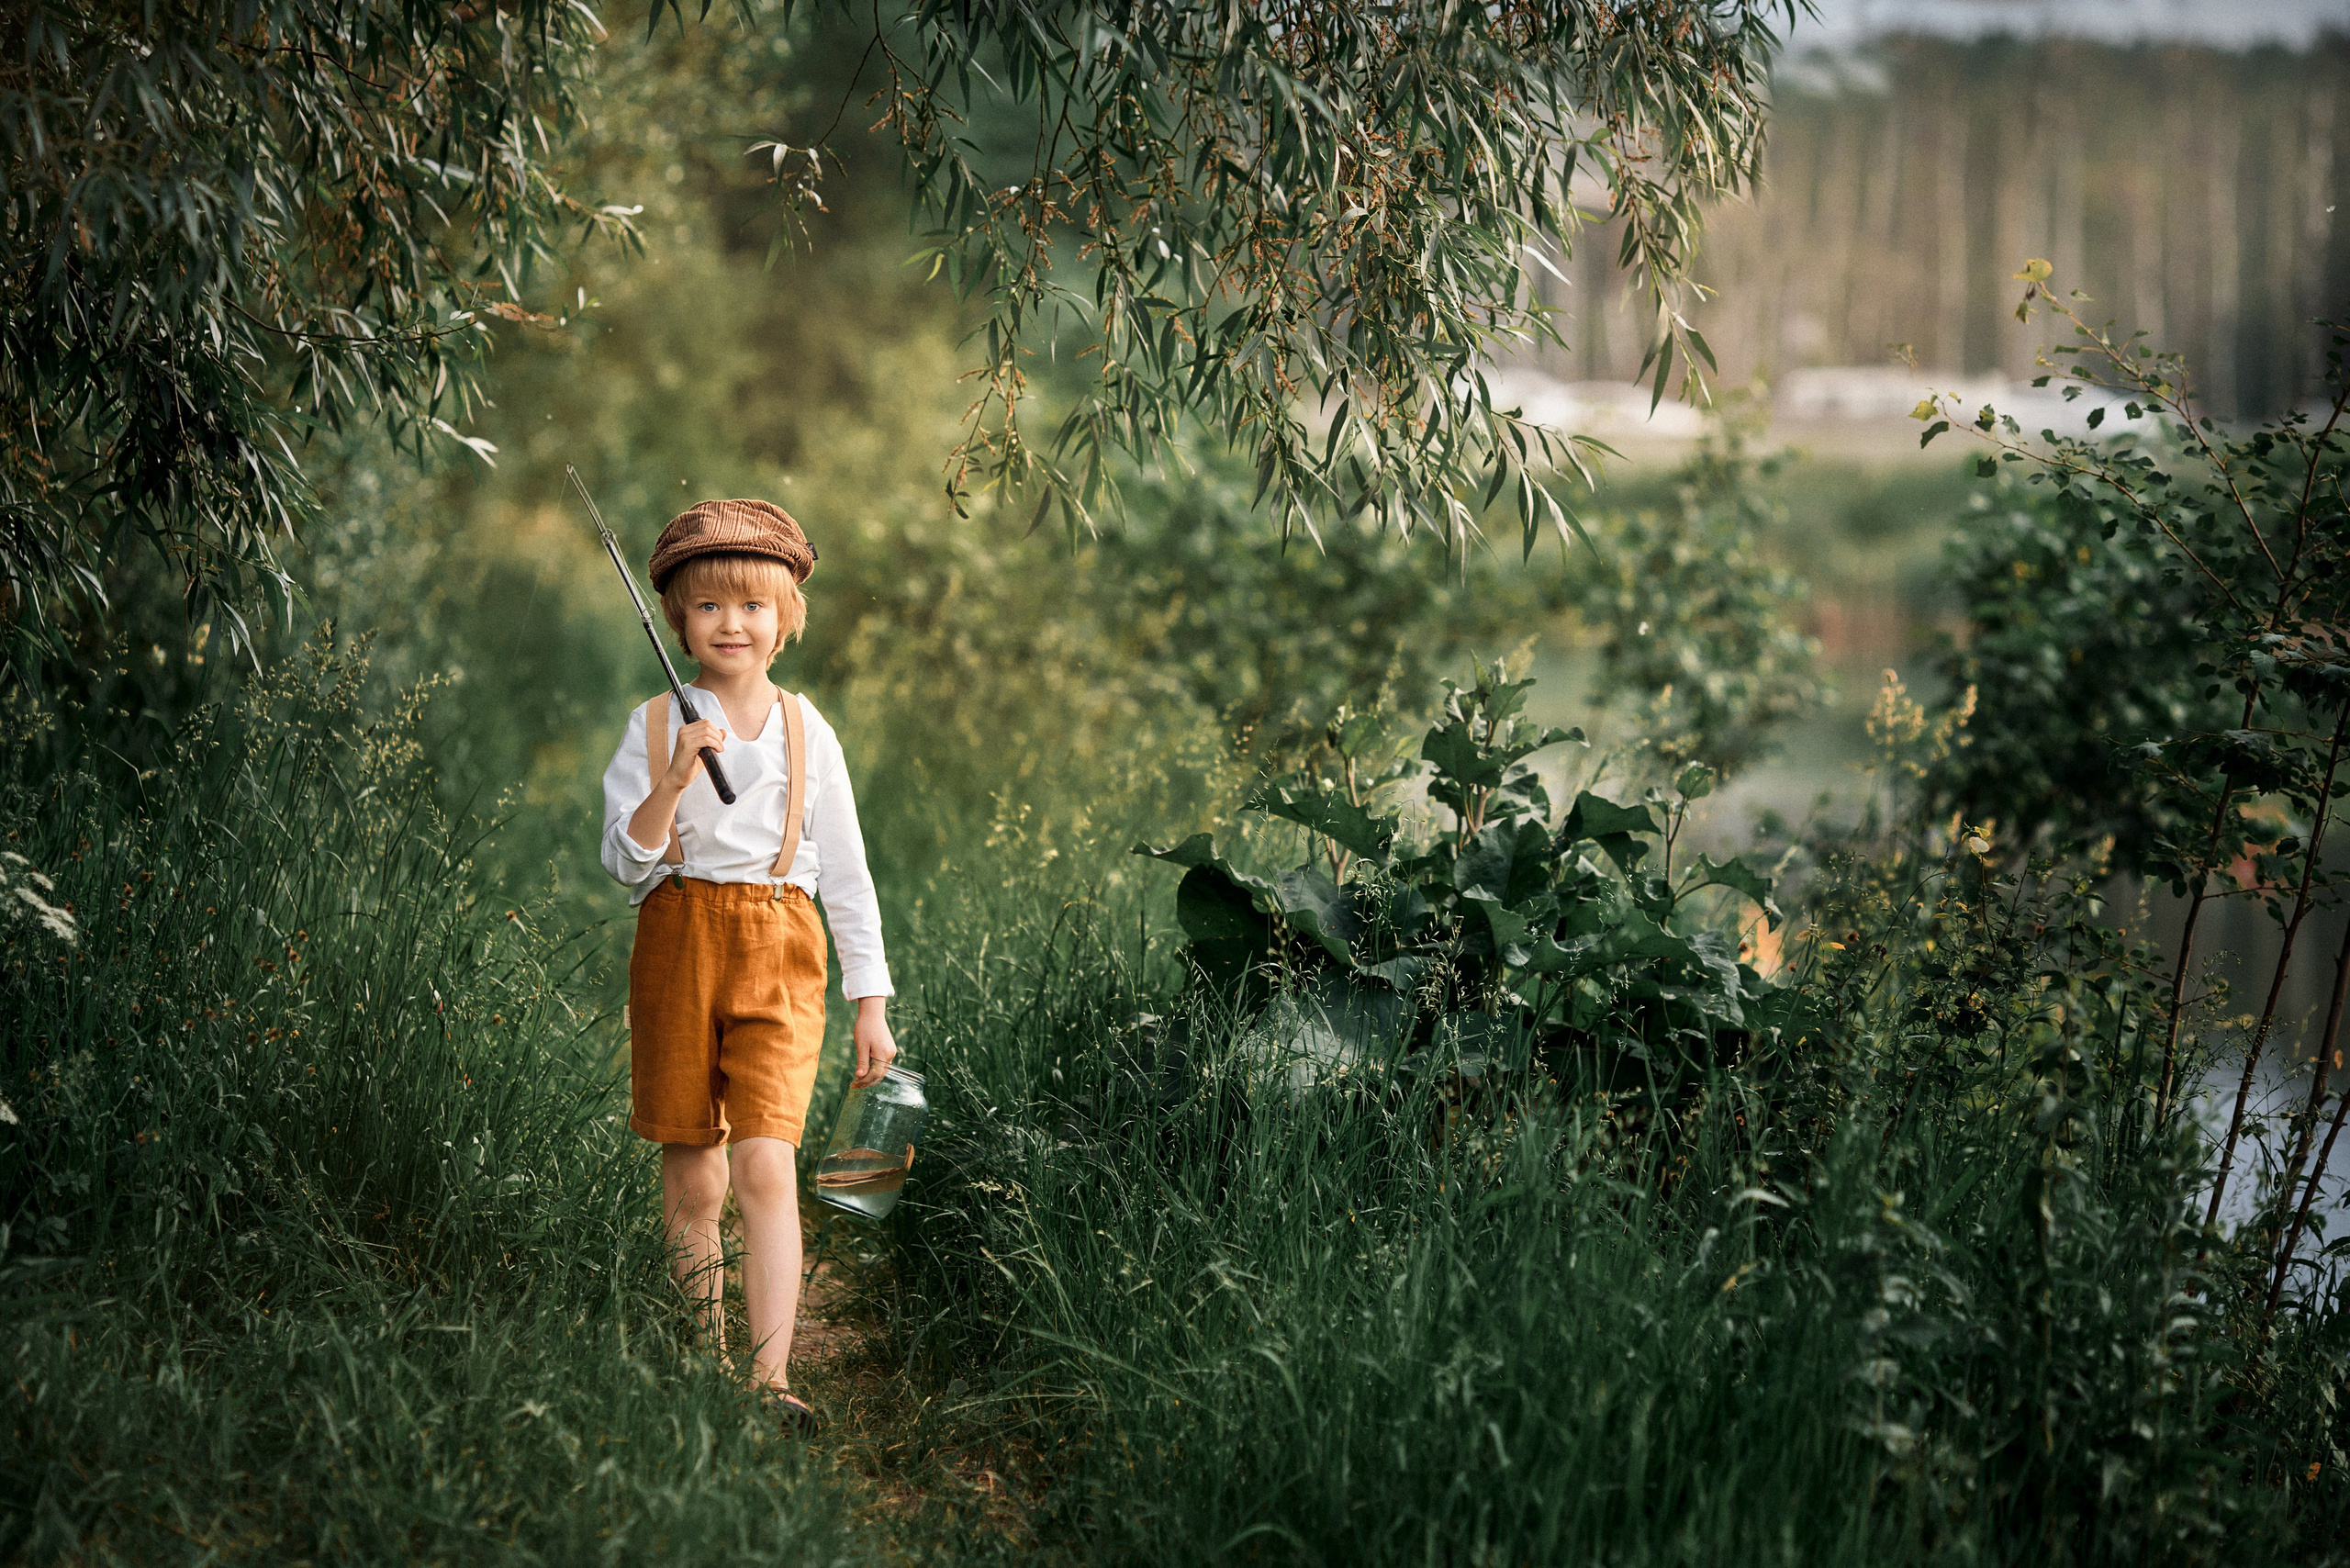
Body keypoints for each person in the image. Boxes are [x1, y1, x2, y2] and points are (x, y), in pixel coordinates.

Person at [598, 498, 895, 1435]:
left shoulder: (809, 732)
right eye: (710, 608)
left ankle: (768, 1382)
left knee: (767, 1161)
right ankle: (704, 1365)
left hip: (780, 945)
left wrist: (870, 1000)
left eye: (753, 606)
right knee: (695, 1175)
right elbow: (625, 861)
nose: (733, 624)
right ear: (679, 622)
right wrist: (677, 776)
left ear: (786, 619)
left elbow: (846, 870)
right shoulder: (654, 726)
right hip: (678, 939)